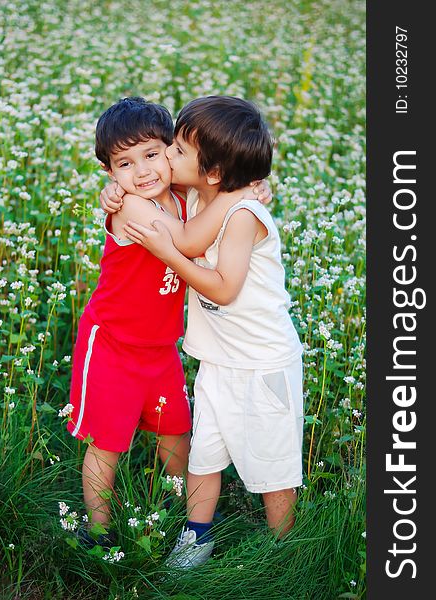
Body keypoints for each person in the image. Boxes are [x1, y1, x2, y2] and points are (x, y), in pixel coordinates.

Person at [69, 97, 270, 548]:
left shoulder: (185, 198)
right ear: (110, 174)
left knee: (176, 431)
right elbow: (185, 240)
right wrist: (238, 195)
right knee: (108, 442)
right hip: (112, 345)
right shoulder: (132, 209)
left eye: (152, 154)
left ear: (173, 152)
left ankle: (184, 510)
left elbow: (212, 201)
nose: (140, 172)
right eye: (124, 163)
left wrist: (251, 189)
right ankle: (97, 528)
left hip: (160, 346)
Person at [119, 96, 304, 568]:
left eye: (177, 150)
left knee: (271, 466)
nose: (167, 156)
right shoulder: (206, 197)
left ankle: (285, 550)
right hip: (219, 359)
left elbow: (222, 289)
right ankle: (197, 536)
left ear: (214, 172)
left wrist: (170, 255)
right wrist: (112, 190)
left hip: (263, 364)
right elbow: (186, 233)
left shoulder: (243, 215)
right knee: (205, 454)